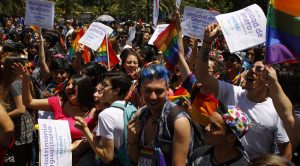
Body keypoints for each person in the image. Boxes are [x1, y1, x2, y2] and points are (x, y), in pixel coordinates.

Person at [194, 23, 292, 160]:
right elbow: (202, 76)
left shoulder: (276, 110)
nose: (251, 70)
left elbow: (286, 154)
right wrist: (207, 41)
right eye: (252, 67)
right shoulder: (233, 93)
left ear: (268, 80)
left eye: (258, 70)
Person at [127, 64, 193, 165]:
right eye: (148, 90)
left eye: (159, 91)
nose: (153, 97)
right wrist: (131, 140)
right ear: (140, 90)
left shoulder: (179, 121)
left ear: (167, 90)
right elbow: (136, 160)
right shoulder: (140, 115)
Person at [74, 73, 136, 165]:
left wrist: (85, 130)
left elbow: (107, 157)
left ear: (116, 90)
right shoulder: (131, 107)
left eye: (105, 85)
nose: (101, 89)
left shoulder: (106, 115)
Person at [0, 55, 34, 166]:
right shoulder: (22, 80)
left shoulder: (15, 84)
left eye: (4, 65)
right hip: (25, 125)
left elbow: (21, 109)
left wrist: (4, 117)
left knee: (21, 160)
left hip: (21, 127)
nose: (1, 67)